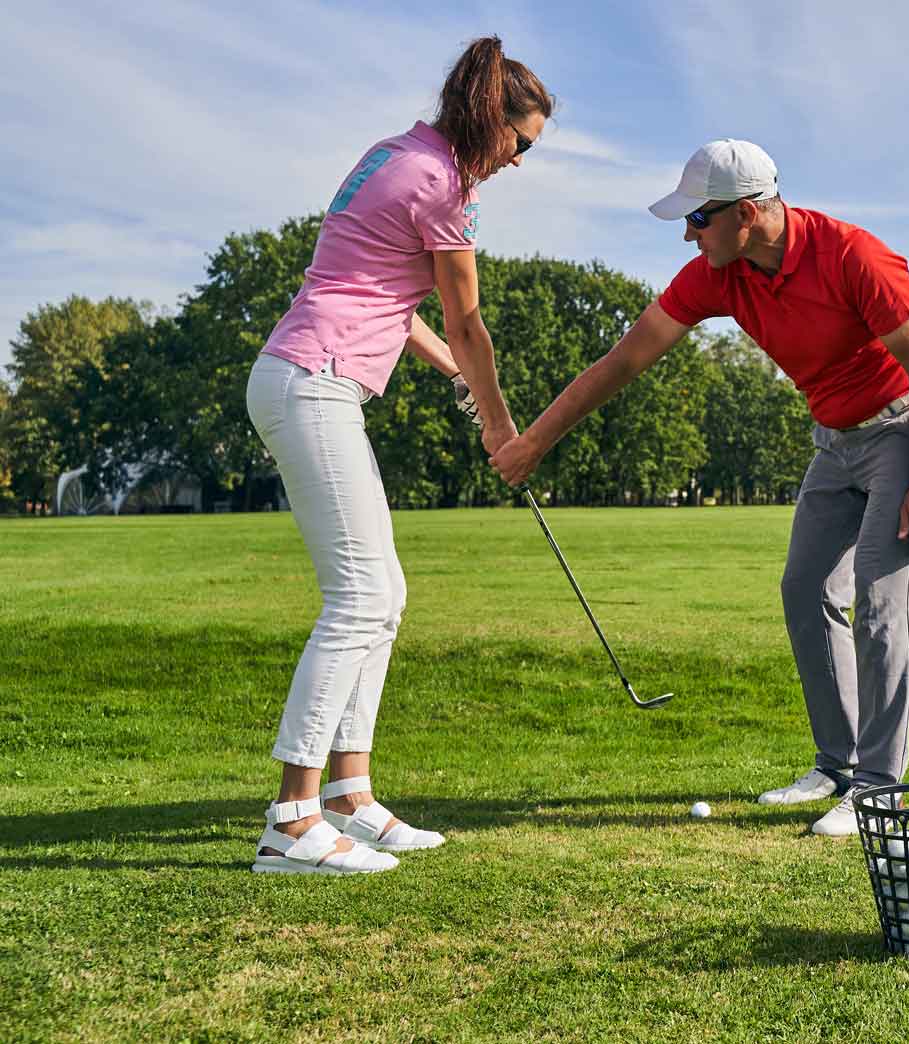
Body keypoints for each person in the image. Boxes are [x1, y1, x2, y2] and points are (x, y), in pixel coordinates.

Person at [492, 139, 909, 836]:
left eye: (698, 219)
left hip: (906, 426)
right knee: (804, 589)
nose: (688, 234)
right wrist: (535, 440)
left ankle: (879, 789)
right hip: (835, 438)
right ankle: (836, 766)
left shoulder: (853, 255)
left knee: (880, 598)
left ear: (746, 214)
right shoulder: (719, 274)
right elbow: (625, 359)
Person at [245, 37, 551, 874]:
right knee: (359, 598)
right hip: (314, 379)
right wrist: (500, 427)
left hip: (304, 375)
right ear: (489, 120)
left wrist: (456, 375)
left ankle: (350, 797)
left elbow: (386, 297)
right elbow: (467, 321)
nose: (519, 161)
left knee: (385, 594)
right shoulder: (444, 184)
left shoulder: (395, 154)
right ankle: (291, 821)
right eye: (520, 143)